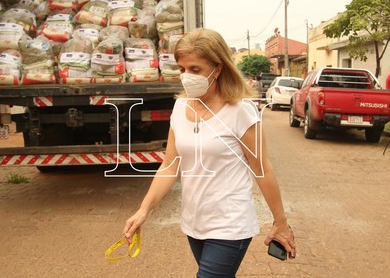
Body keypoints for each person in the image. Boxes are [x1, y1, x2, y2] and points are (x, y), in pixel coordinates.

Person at [123, 28, 296, 277]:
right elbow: (170, 166)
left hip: (230, 223)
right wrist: (143, 209)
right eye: (182, 69)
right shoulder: (180, 107)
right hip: (194, 222)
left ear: (218, 68)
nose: (186, 76)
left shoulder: (240, 110)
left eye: (195, 70)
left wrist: (280, 222)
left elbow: (263, 169)